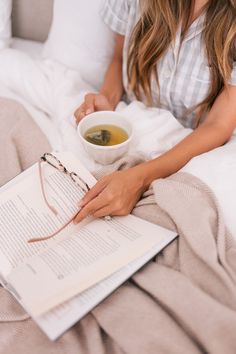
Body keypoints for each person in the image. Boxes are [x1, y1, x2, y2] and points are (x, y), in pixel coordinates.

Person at [73, 0, 236, 223]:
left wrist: (140, 179)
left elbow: (218, 125)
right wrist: (107, 100)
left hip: (195, 149)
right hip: (132, 126)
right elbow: (119, 58)